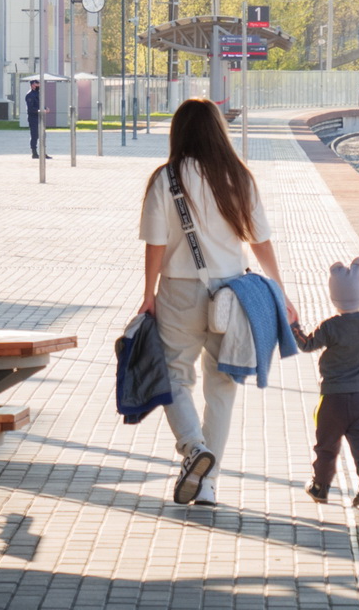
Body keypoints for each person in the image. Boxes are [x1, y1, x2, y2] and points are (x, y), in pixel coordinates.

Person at [138, 98, 292, 506]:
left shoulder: (166, 178)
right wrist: (281, 289)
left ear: (179, 133)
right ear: (218, 132)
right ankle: (207, 484)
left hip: (178, 292)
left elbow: (155, 244)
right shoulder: (239, 177)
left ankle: (193, 449)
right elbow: (260, 242)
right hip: (233, 295)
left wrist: (147, 295)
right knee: (221, 387)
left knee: (174, 375)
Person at [292, 258, 359, 509]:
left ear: (334, 297)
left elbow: (307, 344)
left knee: (326, 445)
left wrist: (293, 324)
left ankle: (320, 486)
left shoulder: (330, 326)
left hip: (332, 399)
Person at [26, 80, 52, 159]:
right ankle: (34, 153)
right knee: (35, 135)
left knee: (43, 135)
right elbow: (30, 108)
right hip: (33, 118)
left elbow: (39, 104)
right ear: (33, 85)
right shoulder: (29, 95)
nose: (39, 86)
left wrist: (45, 108)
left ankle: (43, 152)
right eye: (38, 84)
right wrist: (40, 110)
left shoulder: (38, 93)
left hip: (40, 117)